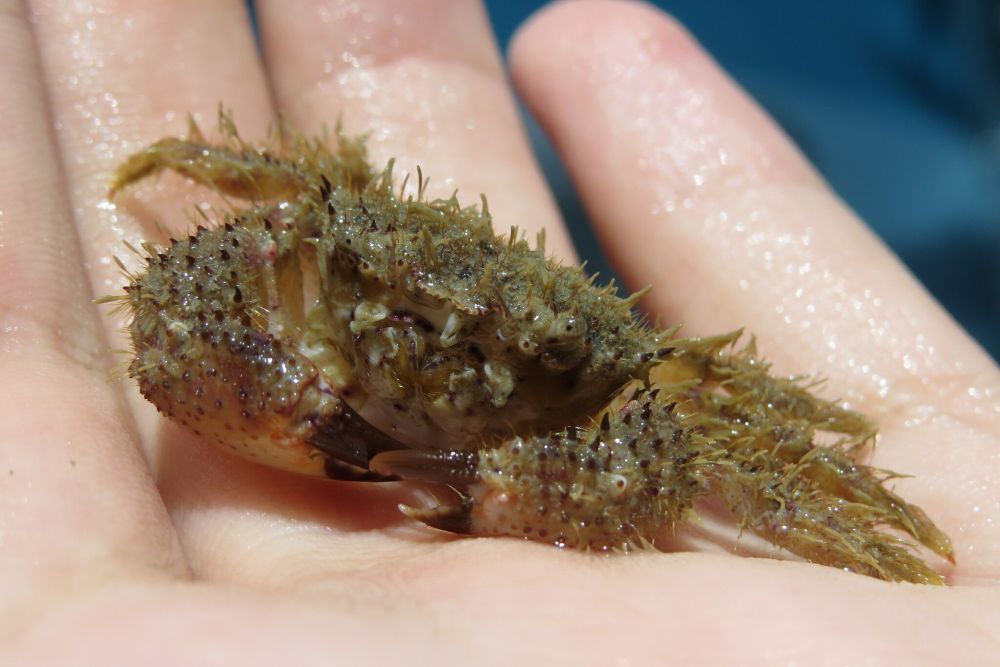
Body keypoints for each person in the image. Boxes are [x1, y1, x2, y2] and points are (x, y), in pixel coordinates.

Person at [3, 1, 998, 663]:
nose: (433, 357)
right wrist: (310, 405)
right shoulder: (304, 247)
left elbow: (670, 443)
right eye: (389, 299)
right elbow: (190, 316)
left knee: (690, 446)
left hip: (547, 426)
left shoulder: (625, 405)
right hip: (315, 357)